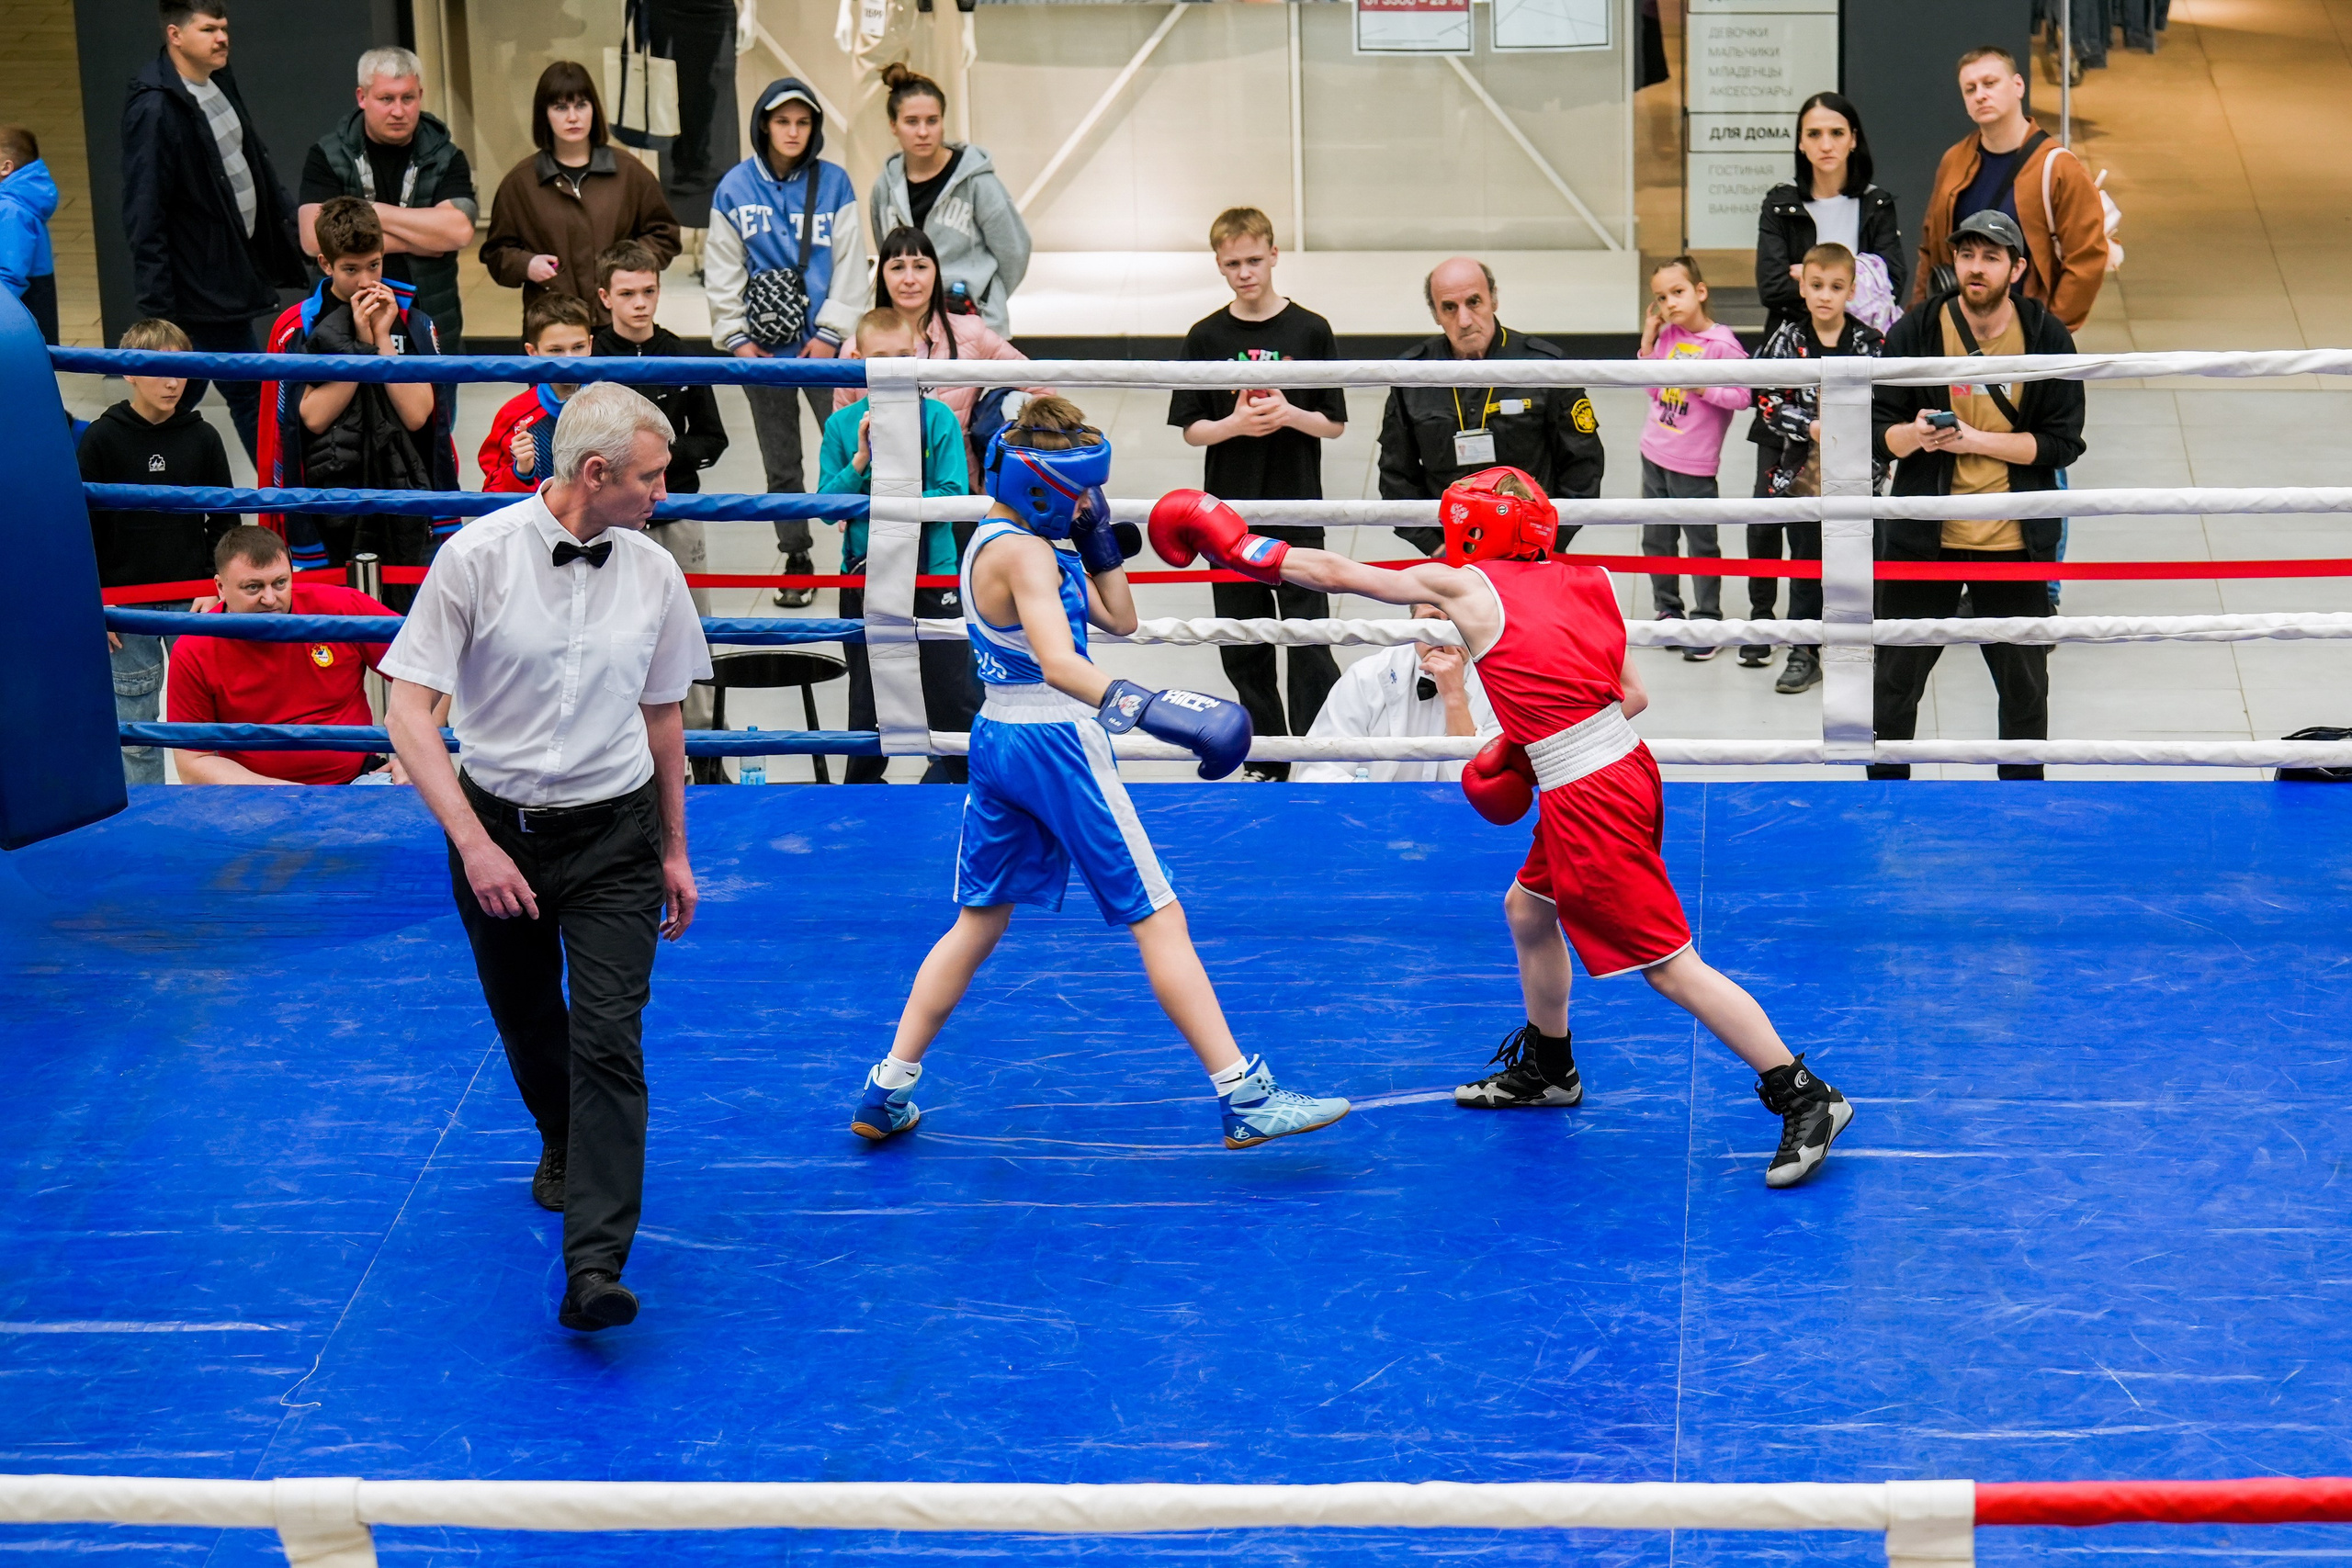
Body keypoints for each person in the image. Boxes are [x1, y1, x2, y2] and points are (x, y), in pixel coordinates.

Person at [1150, 468, 1854, 1188]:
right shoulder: (1595, 581)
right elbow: (1630, 697)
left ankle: (1803, 1093)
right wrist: (1528, 742)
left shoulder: (1467, 587)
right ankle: (1551, 1067)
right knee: (1527, 909)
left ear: (1467, 529)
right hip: (1622, 766)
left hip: (1590, 796)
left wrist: (1235, 543)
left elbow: (1339, 571)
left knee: (1670, 965)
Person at [849, 396, 1351, 1153]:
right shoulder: (1022, 553)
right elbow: (1060, 661)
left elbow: (1118, 619)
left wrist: (1098, 545)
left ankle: (887, 1087)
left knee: (979, 920)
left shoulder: (1002, 538)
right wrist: (1148, 707)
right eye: (1079, 489)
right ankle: (1243, 1093)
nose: (1089, 500)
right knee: (1159, 913)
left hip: (1000, 739)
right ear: (1039, 485)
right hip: (1056, 739)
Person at [381, 383, 711, 1335]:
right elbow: (408, 711)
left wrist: (676, 850)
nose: (665, 491)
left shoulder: (654, 573)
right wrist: (474, 843)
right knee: (529, 1019)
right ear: (595, 473)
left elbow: (662, 717)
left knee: (610, 1036)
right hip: (498, 827)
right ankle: (560, 1138)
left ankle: (594, 1268)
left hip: (615, 835)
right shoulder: (474, 559)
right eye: (651, 476)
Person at [1872, 210, 2086, 783]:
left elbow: (2061, 444)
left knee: (2024, 693)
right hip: (1923, 540)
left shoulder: (2046, 336)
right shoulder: (1915, 331)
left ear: (2016, 268)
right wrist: (1916, 436)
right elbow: (1878, 431)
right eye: (1967, 255)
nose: (1976, 267)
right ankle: (1884, 807)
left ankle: (2020, 809)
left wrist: (1974, 440)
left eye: (1991, 257)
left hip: (2013, 543)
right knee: (1892, 688)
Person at [1167, 207, 1346, 783]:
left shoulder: (1311, 330)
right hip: (1228, 513)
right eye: (1233, 264)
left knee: (1309, 639)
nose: (1245, 272)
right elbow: (1193, 428)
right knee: (1243, 641)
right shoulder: (1205, 337)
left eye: (1253, 259)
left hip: (1298, 505)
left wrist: (1290, 412)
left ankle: (1319, 750)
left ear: (1273, 253)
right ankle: (1267, 756)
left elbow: (1335, 423)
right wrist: (1236, 426)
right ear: (1219, 265)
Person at [120, 0, 306, 460]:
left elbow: (251, 161)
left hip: (227, 277)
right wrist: (160, 313)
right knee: (235, 394)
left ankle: (149, 479)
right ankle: (274, 500)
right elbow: (144, 214)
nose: (222, 38)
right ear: (175, 35)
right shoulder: (156, 109)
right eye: (208, 29)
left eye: (224, 28)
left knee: (190, 393)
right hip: (198, 291)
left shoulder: (217, 81)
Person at [707, 77, 866, 606]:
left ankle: (863, 549)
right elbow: (722, 268)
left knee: (852, 446)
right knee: (782, 464)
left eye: (802, 122)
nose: (793, 131)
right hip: (762, 354)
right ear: (764, 125)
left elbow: (850, 265)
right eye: (782, 121)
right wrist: (735, 340)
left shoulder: (836, 183)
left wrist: (831, 334)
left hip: (828, 354)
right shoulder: (733, 188)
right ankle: (795, 554)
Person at [818, 308, 980, 785]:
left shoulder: (939, 418)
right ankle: (861, 793)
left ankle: (975, 786)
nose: (892, 368)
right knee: (867, 696)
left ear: (919, 356)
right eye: (880, 358)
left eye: (903, 357)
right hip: (867, 570)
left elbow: (953, 496)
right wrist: (861, 460)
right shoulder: (843, 426)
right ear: (858, 358)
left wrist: (880, 501)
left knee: (952, 691)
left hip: (933, 572)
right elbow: (827, 506)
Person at [77, 317, 238, 784]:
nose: (173, 382)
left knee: (209, 720)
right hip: (125, 603)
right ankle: (143, 825)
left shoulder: (203, 436)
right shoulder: (102, 438)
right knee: (135, 727)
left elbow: (225, 517)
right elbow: (84, 527)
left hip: (194, 598)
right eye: (158, 369)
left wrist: (214, 585)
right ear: (128, 372)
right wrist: (99, 600)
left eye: (181, 369)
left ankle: (220, 811)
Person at [282, 196, 458, 609]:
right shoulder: (302, 327)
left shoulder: (412, 320)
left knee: (406, 627)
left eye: (374, 265)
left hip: (404, 497)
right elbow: (311, 418)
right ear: (326, 264)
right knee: (337, 632)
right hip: (332, 501)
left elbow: (418, 417)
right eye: (350, 269)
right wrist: (359, 349)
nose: (365, 281)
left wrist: (381, 339)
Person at [594, 239, 729, 761]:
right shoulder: (590, 358)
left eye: (649, 290)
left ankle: (705, 749)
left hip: (677, 510)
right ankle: (617, 749)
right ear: (605, 296)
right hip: (610, 518)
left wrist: (656, 462)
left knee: (693, 626)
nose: (640, 303)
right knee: (612, 626)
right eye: (628, 293)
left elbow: (713, 436)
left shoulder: (682, 353)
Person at [1376, 256, 1604, 558]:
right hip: (1451, 548)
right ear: (1435, 314)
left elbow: (1583, 465)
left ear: (1494, 299)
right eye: (1449, 307)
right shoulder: (1413, 376)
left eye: (1474, 302)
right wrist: (1436, 547)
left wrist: (1547, 540)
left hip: (1531, 544)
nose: (1465, 320)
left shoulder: (1544, 367)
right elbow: (1395, 476)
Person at [1739, 243, 1884, 691]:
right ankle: (1803, 650)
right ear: (1802, 286)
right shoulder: (1786, 339)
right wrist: (1813, 426)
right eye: (1817, 285)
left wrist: (1855, 428)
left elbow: (1887, 406)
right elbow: (1765, 400)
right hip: (1801, 477)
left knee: (1855, 563)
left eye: (1836, 287)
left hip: (1858, 477)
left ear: (1852, 291)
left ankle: (1854, 645)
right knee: (1805, 563)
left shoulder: (1870, 343)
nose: (1825, 295)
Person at [166, 526, 416, 786]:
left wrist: (416, 759)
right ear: (220, 587)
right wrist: (292, 797)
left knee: (424, 804)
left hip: (359, 781)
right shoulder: (195, 647)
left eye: (280, 583)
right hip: (254, 797)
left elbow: (431, 668)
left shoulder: (338, 608)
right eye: (253, 587)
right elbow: (193, 763)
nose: (270, 598)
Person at [832, 224, 1049, 489]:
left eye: (921, 266)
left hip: (958, 487)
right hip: (877, 489)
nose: (909, 279)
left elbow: (1041, 386)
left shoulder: (970, 333)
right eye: (898, 267)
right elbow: (842, 433)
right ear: (883, 275)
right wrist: (846, 506)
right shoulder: (854, 348)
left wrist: (1003, 441)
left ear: (936, 273)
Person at [1914, 46, 2109, 333]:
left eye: (1990, 83)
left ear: (2018, 85)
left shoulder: (2057, 168)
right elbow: (1931, 248)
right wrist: (1919, 323)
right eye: (1970, 89)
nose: (1980, 94)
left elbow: (2086, 258)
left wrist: (2050, 331)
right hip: (1957, 329)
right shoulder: (1955, 161)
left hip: (2025, 334)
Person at [297, 48, 478, 350]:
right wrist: (421, 240)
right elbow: (313, 240)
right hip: (343, 315)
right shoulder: (328, 153)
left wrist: (368, 212)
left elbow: (458, 231)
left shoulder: (446, 155)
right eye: (386, 99)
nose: (398, 110)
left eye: (408, 98)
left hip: (428, 312)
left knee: (435, 399)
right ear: (362, 97)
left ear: (420, 95)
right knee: (349, 396)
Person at [480, 62, 680, 331]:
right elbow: (495, 252)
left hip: (619, 325)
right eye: (560, 107)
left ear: (594, 110)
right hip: (553, 328)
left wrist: (627, 268)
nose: (572, 117)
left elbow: (664, 234)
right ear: (544, 115)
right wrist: (526, 264)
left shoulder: (630, 172)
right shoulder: (521, 182)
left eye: (581, 105)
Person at [864, 63, 1031, 339]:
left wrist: (987, 297)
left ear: (943, 121)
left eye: (932, 120)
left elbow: (1015, 251)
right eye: (911, 121)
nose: (923, 132)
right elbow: (888, 253)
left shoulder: (978, 182)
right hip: (912, 330)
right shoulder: (884, 188)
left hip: (978, 325)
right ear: (894, 126)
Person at [1636, 256, 1749, 660]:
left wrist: (1703, 388)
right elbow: (1653, 390)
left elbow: (1743, 395)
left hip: (1694, 465)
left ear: (1700, 292)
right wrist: (1649, 342)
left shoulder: (1721, 345)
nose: (1669, 304)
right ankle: (1668, 609)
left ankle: (1706, 619)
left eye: (1678, 292)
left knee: (1701, 543)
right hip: (1655, 453)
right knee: (1657, 539)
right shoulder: (1668, 337)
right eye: (1661, 297)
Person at [1293, 605, 1499, 784]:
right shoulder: (1367, 676)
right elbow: (1318, 771)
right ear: (1411, 625)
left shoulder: (1499, 688)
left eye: (1457, 621)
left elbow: (1490, 791)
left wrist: (1455, 698)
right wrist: (1376, 810)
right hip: (1374, 819)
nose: (1443, 634)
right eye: (1432, 621)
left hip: (1459, 822)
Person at [1755, 91, 1903, 339]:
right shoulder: (1780, 204)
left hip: (1861, 345)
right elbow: (1772, 288)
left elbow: (1891, 282)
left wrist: (1812, 279)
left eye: (1837, 133)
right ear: (1800, 142)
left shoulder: (1876, 204)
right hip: (1795, 343)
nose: (1826, 145)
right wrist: (1855, 279)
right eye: (1814, 134)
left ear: (1853, 139)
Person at [480, 294, 594, 492]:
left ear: (590, 344)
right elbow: (492, 490)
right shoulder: (514, 415)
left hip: (601, 521)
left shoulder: (614, 408)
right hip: (536, 521)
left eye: (578, 347)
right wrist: (520, 472)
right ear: (532, 352)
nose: (568, 359)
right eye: (555, 350)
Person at [0, 126, 60, 344]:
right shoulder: (20, 205)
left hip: (17, 332)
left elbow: (8, 276)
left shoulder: (10, 210)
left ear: (5, 167)